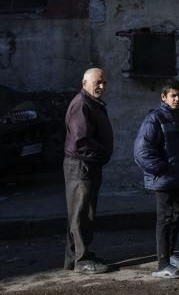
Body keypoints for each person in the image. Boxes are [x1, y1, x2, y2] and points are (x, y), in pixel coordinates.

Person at [134, 79, 179, 279]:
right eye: (173, 95)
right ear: (164, 97)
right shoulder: (155, 119)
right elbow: (142, 152)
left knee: (176, 217)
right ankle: (162, 265)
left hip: (178, 178)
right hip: (164, 179)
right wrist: (162, 169)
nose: (177, 99)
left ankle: (170, 255)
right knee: (165, 220)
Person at [63, 68, 114, 274]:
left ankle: (74, 258)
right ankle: (81, 260)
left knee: (81, 212)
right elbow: (80, 142)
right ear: (84, 83)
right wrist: (102, 154)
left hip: (87, 165)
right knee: (81, 214)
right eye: (97, 82)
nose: (101, 86)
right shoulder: (82, 104)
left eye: (104, 82)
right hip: (81, 166)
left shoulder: (92, 103)